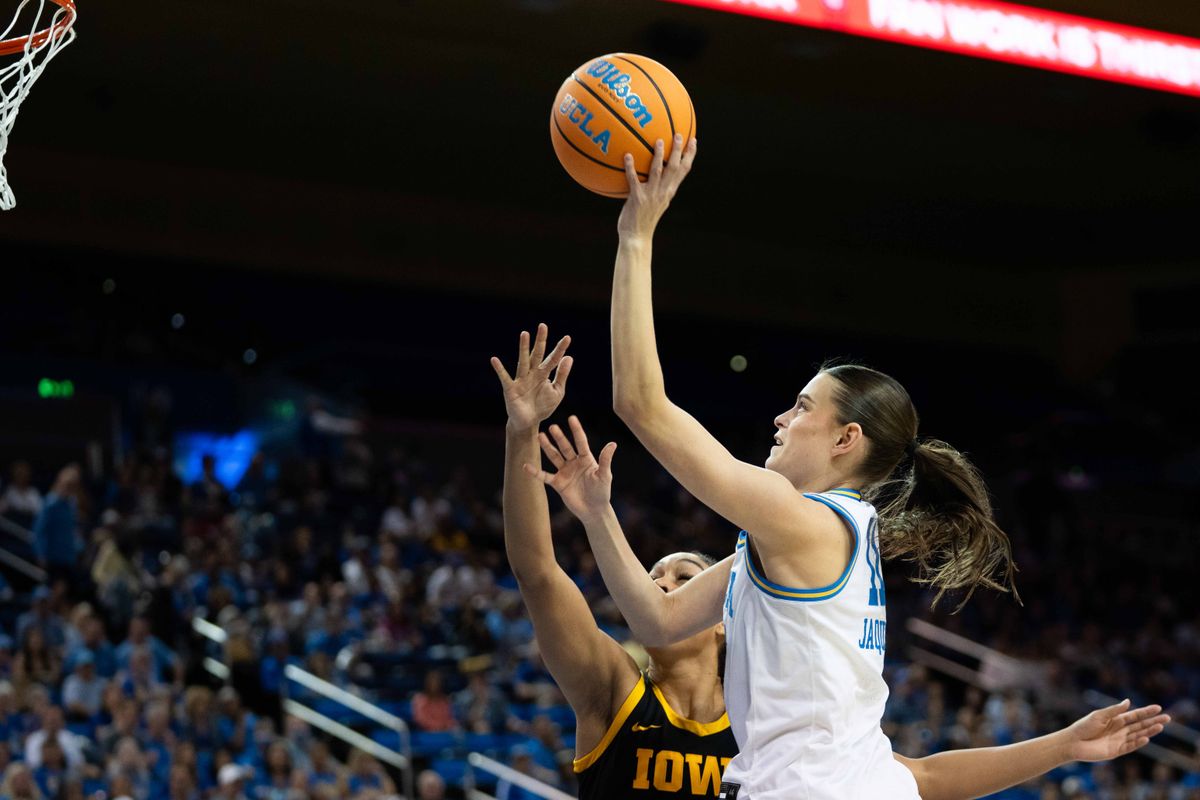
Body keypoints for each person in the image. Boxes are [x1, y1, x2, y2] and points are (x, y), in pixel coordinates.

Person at [522, 134, 1171, 800]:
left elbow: (641, 405)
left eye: (802, 407)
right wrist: (1063, 745)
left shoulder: (804, 525)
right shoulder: (817, 540)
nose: (781, 419)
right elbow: (658, 622)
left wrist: (635, 237)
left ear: (845, 439)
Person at [491, 325, 736, 799]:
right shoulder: (614, 688)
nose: (661, 585)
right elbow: (536, 573)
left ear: (722, 619)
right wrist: (522, 432)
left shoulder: (757, 720)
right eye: (653, 577)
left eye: (684, 577)